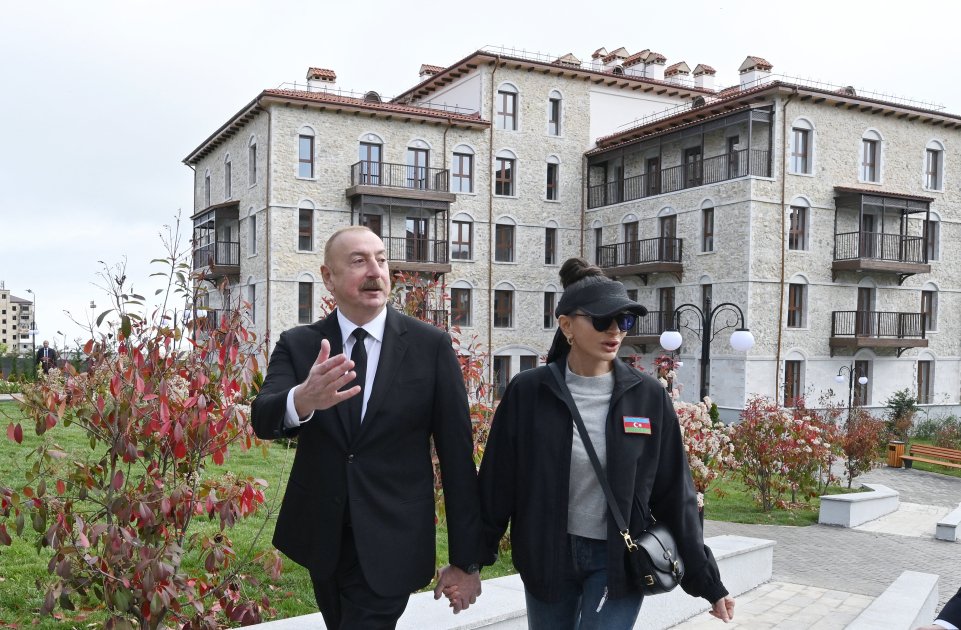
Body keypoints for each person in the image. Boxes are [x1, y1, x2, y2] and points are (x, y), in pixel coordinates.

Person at [474, 258, 735, 629]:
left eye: (624, 321)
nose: (615, 331)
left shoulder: (647, 397)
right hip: (548, 558)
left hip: (620, 559)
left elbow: (675, 493)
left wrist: (708, 582)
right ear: (567, 325)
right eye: (601, 320)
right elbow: (497, 485)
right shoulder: (529, 392)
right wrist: (469, 562)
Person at [251, 226, 482, 629]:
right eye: (358, 261)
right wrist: (303, 399)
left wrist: (466, 561)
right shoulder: (300, 344)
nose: (375, 271)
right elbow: (263, 418)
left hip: (394, 538)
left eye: (381, 259)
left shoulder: (431, 347)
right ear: (328, 277)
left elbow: (457, 459)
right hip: (320, 537)